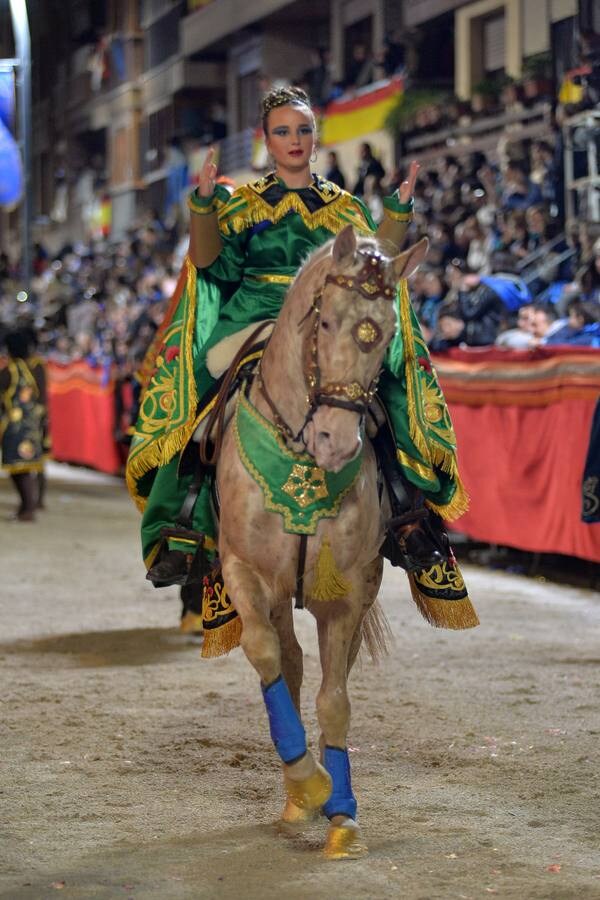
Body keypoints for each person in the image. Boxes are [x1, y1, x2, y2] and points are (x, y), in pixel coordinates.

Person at [126, 86, 468, 593]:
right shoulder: (241, 204)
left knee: (390, 388)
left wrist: (396, 216)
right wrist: (202, 205)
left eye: (304, 130)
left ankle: (409, 518)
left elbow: (377, 273)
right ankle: (186, 531)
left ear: (316, 137)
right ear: (264, 139)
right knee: (196, 399)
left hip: (332, 320)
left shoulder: (347, 207)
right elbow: (207, 263)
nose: (295, 140)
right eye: (283, 131)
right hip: (255, 318)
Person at [0, 329, 47, 521]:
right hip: (32, 425)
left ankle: (28, 509)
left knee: (19, 468)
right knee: (24, 468)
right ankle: (26, 507)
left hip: (15, 427)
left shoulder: (10, 370)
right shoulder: (32, 368)